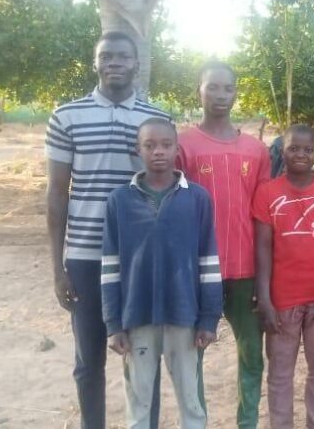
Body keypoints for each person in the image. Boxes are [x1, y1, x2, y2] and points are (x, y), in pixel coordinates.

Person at [45, 31, 167, 429]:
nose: (114, 62)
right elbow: (57, 194)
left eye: (123, 56)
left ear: (136, 64)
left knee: (144, 357)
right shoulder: (67, 116)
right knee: (89, 360)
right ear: (95, 63)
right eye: (106, 56)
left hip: (140, 258)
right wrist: (57, 267)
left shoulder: (156, 121)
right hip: (84, 256)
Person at [101, 118, 223, 429]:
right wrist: (114, 323)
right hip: (137, 317)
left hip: (184, 315)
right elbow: (110, 265)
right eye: (150, 145)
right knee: (139, 401)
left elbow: (208, 262)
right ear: (137, 150)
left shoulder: (197, 198)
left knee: (191, 402)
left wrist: (209, 318)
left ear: (176, 149)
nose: (158, 152)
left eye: (166, 145)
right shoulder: (119, 201)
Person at [177, 61, 270, 429]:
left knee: (252, 356)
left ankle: (247, 422)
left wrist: (265, 277)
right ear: (199, 90)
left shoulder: (255, 150)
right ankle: (195, 422)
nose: (220, 95)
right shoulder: (183, 145)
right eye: (212, 87)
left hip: (246, 270)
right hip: (198, 271)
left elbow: (264, 217)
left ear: (236, 92)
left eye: (227, 88)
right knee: (192, 355)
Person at [253, 124, 314, 429]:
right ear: (282, 150)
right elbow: (263, 248)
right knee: (280, 373)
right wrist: (265, 298)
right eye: (294, 148)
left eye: (308, 149)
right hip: (282, 301)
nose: (301, 154)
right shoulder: (267, 192)